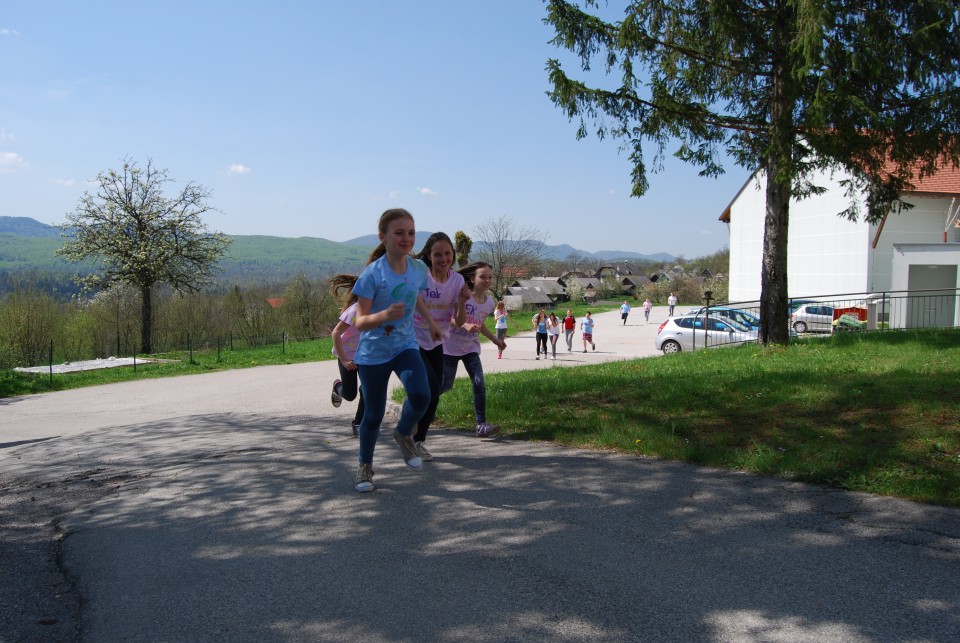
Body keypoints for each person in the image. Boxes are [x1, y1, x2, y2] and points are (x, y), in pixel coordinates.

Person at [350, 208, 442, 493]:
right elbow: (360, 322)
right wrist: (385, 316)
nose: (406, 238)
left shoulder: (418, 270)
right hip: (373, 353)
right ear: (383, 237)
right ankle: (365, 466)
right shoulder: (372, 275)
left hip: (404, 344)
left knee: (422, 394)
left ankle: (403, 433)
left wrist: (430, 322)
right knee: (373, 415)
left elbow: (414, 296)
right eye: (399, 233)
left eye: (411, 232)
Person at [411, 232, 469, 462]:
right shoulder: (420, 276)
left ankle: (419, 441)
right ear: (428, 255)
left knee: (434, 394)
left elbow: (461, 320)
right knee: (431, 389)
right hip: (413, 339)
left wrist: (463, 302)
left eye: (448, 253)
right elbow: (411, 300)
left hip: (436, 342)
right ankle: (410, 422)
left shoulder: (457, 281)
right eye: (438, 254)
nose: (443, 258)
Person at [441, 262, 506, 437]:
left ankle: (481, 425)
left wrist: (495, 340)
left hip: (471, 348)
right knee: (445, 385)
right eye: (483, 276)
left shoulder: (489, 303)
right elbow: (450, 318)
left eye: (490, 277)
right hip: (450, 348)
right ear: (472, 278)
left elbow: (481, 323)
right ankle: (419, 404)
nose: (487, 280)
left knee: (479, 383)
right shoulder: (463, 296)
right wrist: (465, 323)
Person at [328, 274, 365, 437]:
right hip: (347, 355)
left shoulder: (380, 309)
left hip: (367, 357)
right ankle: (338, 386)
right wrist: (343, 359)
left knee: (368, 390)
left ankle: (358, 423)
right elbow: (335, 333)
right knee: (350, 395)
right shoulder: (355, 310)